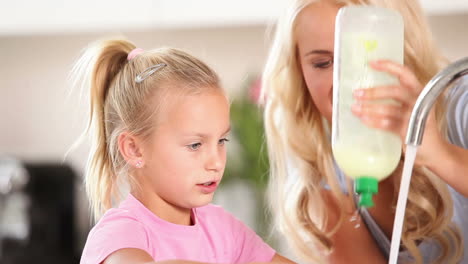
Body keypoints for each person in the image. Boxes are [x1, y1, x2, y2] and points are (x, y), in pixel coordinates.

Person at [261, 0, 468, 263]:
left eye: (367, 57)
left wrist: (440, 154)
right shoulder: (324, 177)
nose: (348, 82)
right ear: (299, 72)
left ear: (407, 53)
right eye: (323, 63)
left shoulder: (460, 107)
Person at [72, 38, 295, 264]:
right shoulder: (119, 234)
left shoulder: (222, 229)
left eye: (221, 140)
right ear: (134, 149)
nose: (216, 162)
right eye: (195, 145)